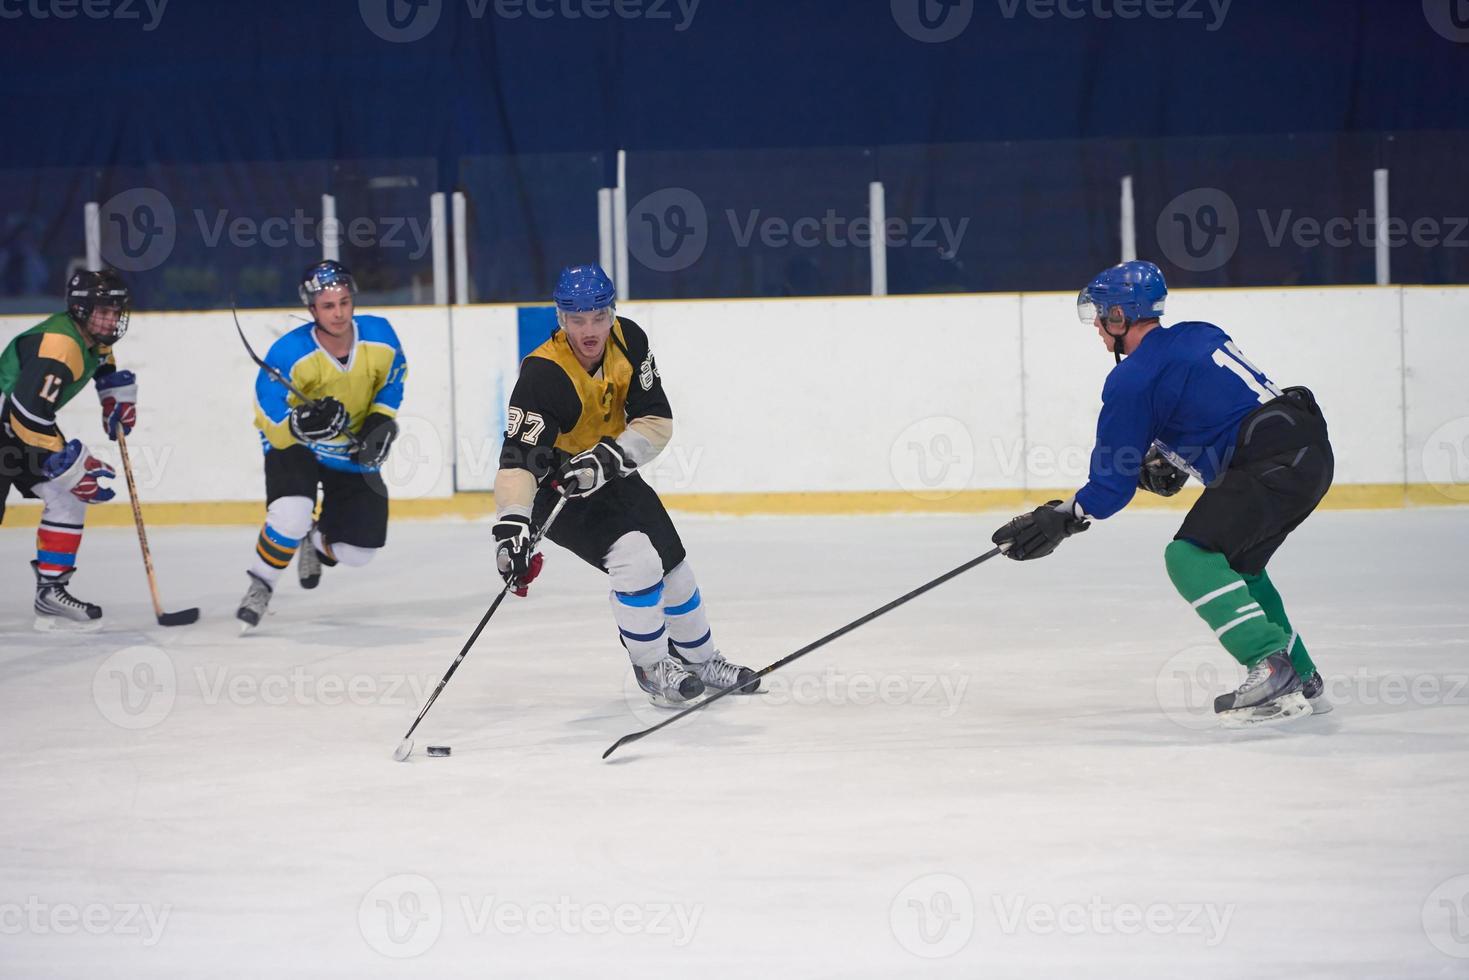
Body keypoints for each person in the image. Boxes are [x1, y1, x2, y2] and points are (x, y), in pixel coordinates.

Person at [990, 260, 1334, 726]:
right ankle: (1304, 677)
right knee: (1240, 567)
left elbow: (1109, 487)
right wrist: (1169, 455)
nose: (1095, 325)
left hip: (1268, 464)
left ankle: (1271, 666)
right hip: (1309, 453)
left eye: (1099, 314)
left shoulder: (1133, 379)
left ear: (1119, 317)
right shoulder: (1199, 333)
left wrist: (1062, 517)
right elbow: (1223, 407)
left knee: (1189, 557)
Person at [492, 264, 759, 706]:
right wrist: (511, 528)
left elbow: (656, 421)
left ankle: (701, 661)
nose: (589, 329)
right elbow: (519, 460)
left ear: (612, 312)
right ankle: (653, 667)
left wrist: (611, 456)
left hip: (612, 472)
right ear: (561, 318)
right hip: (557, 491)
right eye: (577, 319)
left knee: (674, 567)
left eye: (598, 316)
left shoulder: (630, 341)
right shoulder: (543, 373)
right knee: (636, 560)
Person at [237, 260, 406, 630]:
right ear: (312, 308)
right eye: (328, 306)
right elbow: (267, 410)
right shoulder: (289, 352)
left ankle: (314, 542)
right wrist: (298, 424)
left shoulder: (380, 336)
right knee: (291, 514)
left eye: (345, 302)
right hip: (295, 443)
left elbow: (393, 380)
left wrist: (379, 421)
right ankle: (262, 584)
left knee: (359, 552)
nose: (339, 313)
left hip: (349, 444)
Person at [0, 269, 135, 631]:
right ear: (80, 309)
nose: (111, 319)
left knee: (67, 497)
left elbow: (102, 361)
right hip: (12, 422)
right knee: (70, 481)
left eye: (116, 310)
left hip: (19, 426)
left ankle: (50, 591)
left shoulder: (92, 335)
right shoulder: (59, 347)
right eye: (103, 310)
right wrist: (70, 465)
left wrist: (114, 397)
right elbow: (24, 414)